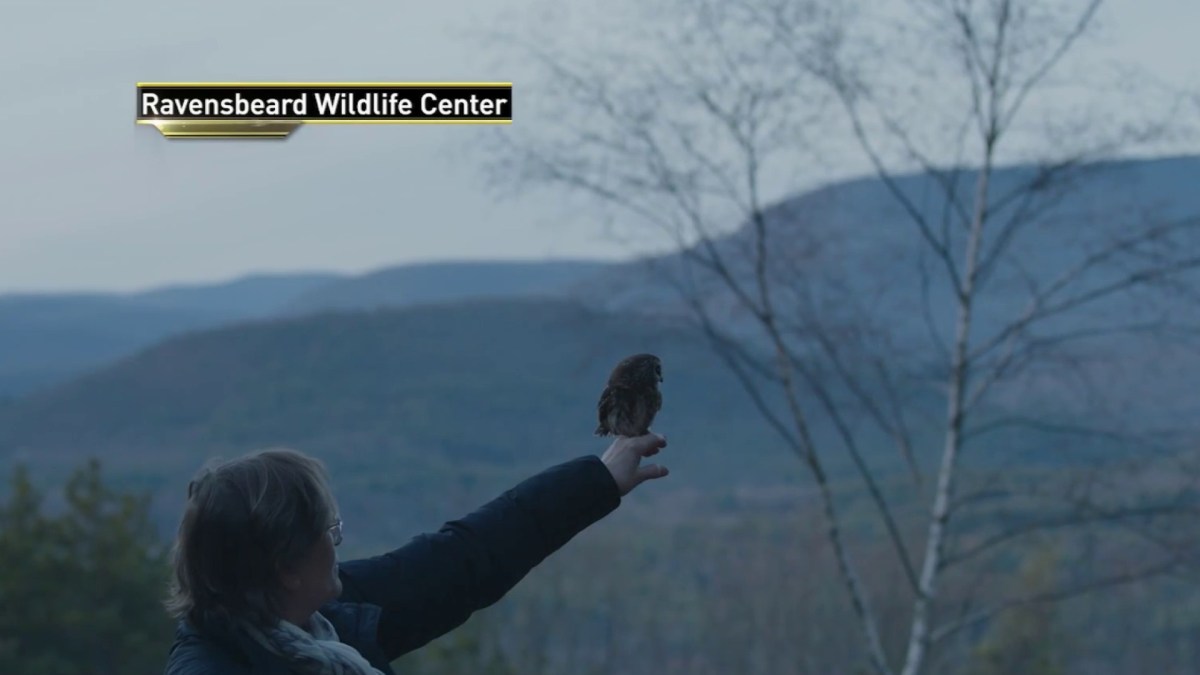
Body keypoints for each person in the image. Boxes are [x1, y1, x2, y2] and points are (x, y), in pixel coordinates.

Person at [162, 433, 669, 675]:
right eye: (328, 530)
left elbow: (465, 558)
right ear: (286, 567)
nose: (336, 542)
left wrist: (597, 480)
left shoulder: (327, 622)